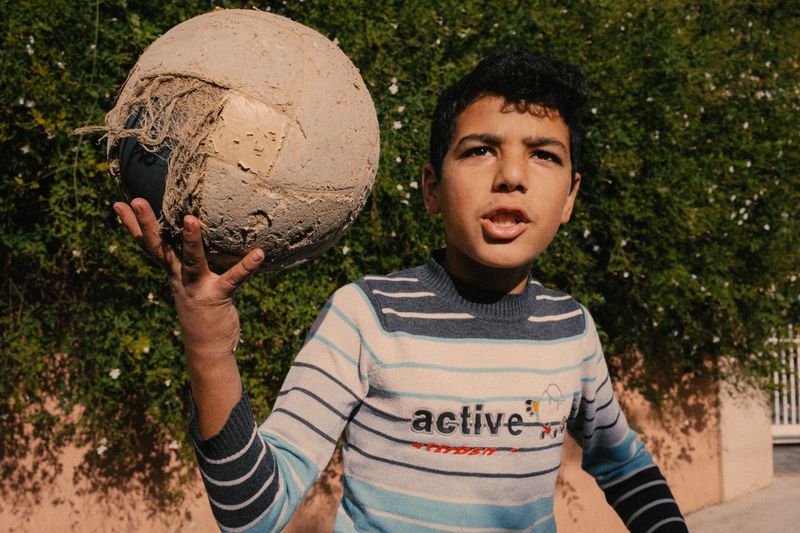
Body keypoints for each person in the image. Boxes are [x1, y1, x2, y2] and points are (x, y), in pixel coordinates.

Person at [115, 50, 688, 532]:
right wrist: (209, 346)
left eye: (543, 154)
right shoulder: (366, 316)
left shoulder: (571, 329)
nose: (512, 174)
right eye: (480, 149)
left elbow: (624, 466)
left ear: (569, 198)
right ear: (433, 188)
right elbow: (252, 512)